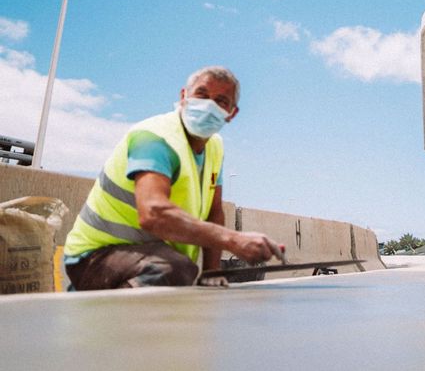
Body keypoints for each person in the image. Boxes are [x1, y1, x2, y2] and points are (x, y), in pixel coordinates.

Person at [64, 66, 282, 289]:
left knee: (178, 270)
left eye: (221, 101)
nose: (209, 106)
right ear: (184, 97)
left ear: (231, 113)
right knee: (173, 269)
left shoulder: (214, 146)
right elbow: (153, 214)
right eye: (202, 95)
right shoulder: (154, 138)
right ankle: (102, 315)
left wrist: (211, 272)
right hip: (95, 255)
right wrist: (233, 240)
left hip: (149, 255)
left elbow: (213, 213)